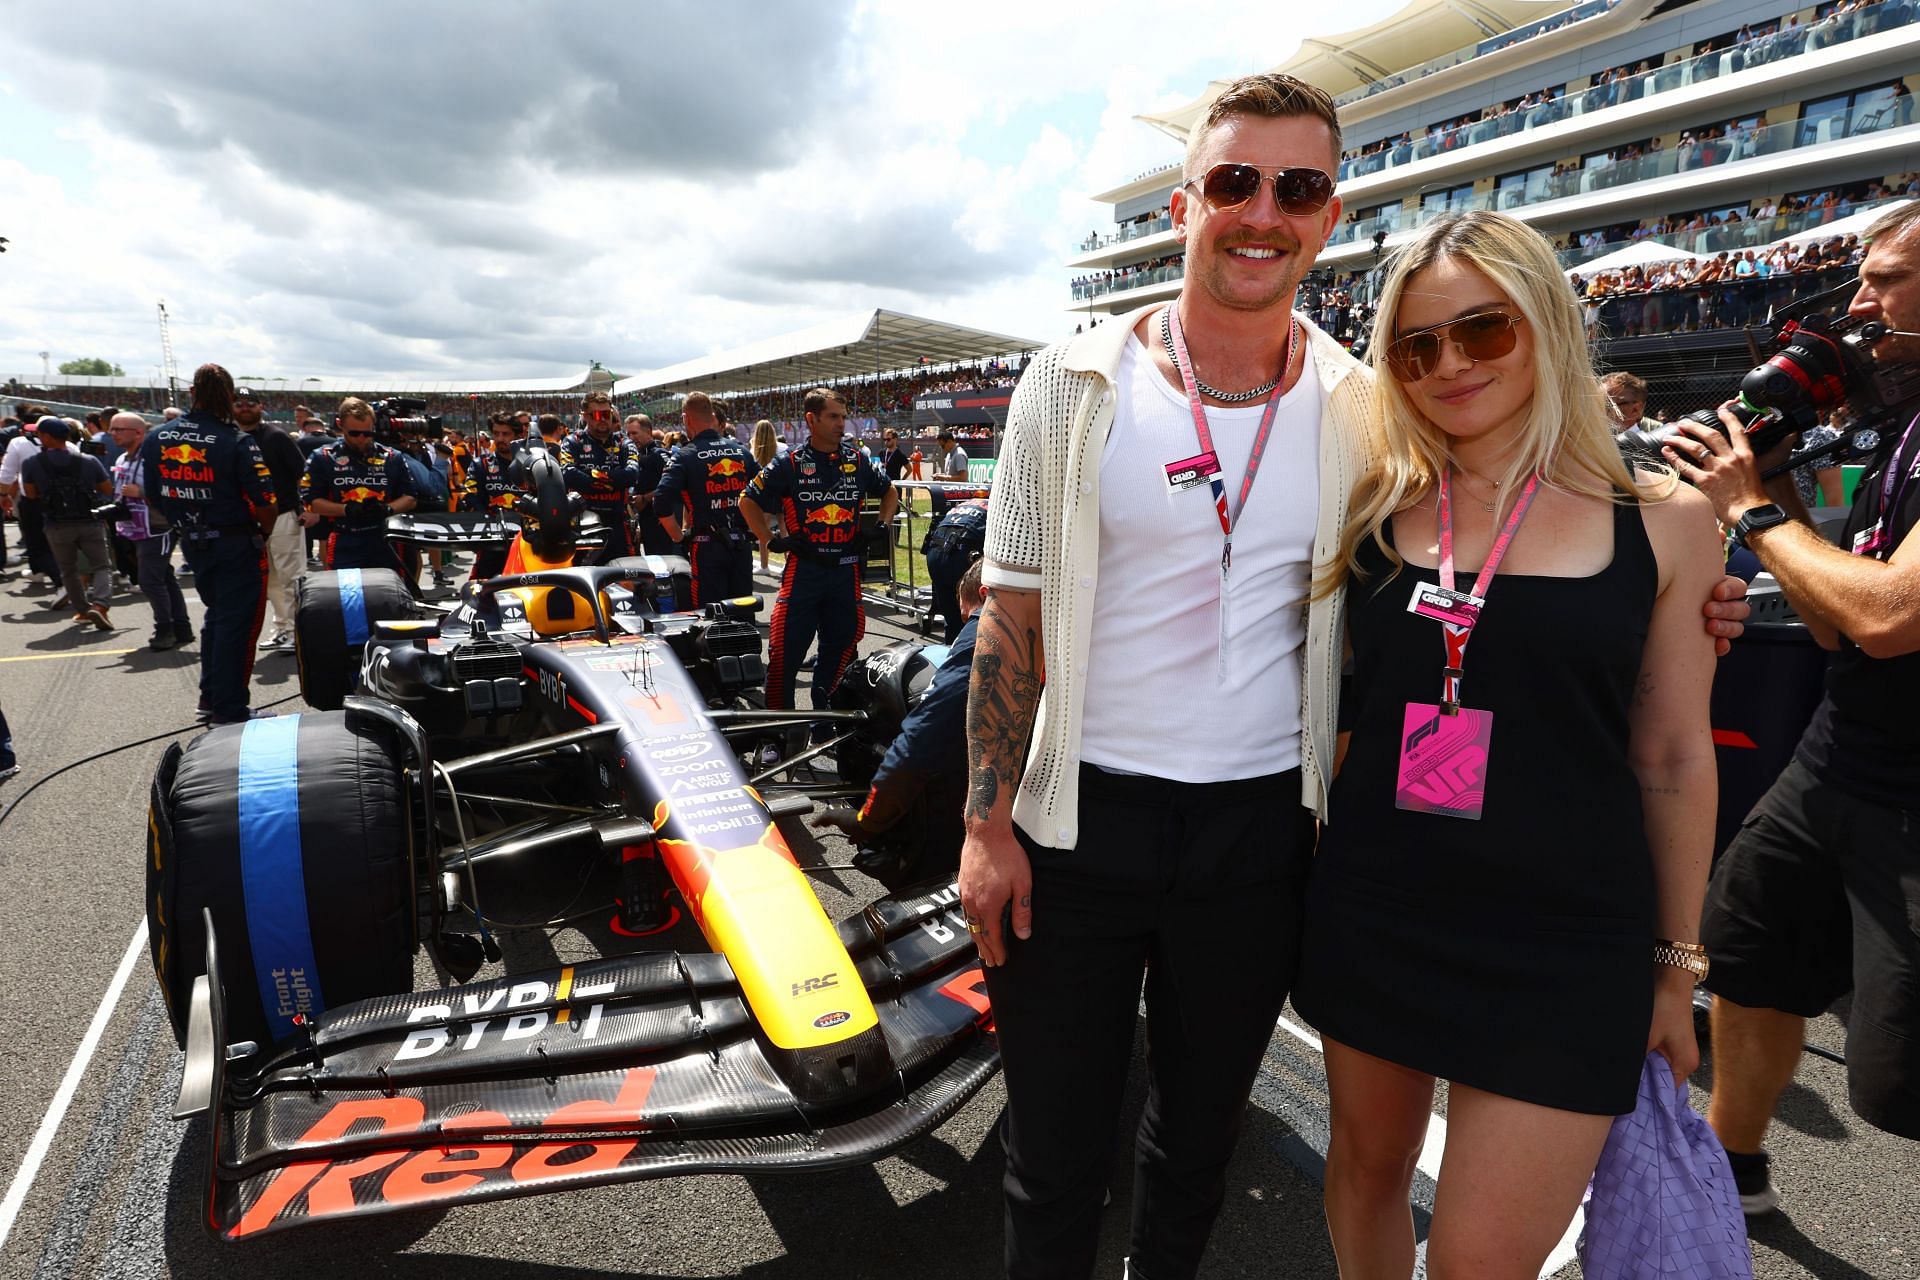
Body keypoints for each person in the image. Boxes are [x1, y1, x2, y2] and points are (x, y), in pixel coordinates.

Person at [958, 73, 1751, 1280]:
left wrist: (1686, 601)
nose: (1262, 209)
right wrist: (984, 820)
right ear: (1186, 205)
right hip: (1084, 823)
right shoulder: (1073, 385)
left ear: (1329, 216)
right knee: (1056, 1149)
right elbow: (1009, 619)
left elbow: (1599, 653)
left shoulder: (1360, 411)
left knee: (1198, 1144)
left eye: (1298, 186)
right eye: (1234, 182)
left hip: (1267, 835)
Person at [1290, 210, 1723, 1278]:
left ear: (1545, 323)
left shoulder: (1667, 521)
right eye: (1417, 345)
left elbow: (1672, 756)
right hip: (1379, 906)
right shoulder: (1369, 500)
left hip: (1568, 942)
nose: (1450, 365)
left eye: (1482, 331)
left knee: (1481, 1260)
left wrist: (1676, 964)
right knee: (1362, 1175)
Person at [1670, 200, 1920, 1213]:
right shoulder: (1903, 428)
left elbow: (1892, 616)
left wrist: (1750, 509)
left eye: (1887, 280)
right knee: (1746, 949)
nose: (1859, 303)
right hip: (1840, 751)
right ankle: (1732, 1165)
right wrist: (1774, 481)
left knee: (1897, 1082)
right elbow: (1831, 620)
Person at [815, 558, 985, 888]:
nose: (966, 626)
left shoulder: (991, 625)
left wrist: (868, 820)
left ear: (982, 593)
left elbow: (921, 739)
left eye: (968, 616)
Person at [738, 386, 897, 710]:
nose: (841, 424)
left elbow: (890, 491)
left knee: (840, 654)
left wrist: (881, 525)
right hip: (803, 574)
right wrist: (770, 540)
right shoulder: (789, 463)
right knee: (784, 655)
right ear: (811, 419)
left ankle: (826, 730)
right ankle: (778, 738)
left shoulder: (857, 459)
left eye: (843, 417)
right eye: (833, 417)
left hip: (845, 572)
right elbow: (747, 501)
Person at [141, 363, 277, 726]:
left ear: (192, 394)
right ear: (230, 398)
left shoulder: (158, 437)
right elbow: (266, 502)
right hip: (234, 542)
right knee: (238, 625)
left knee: (216, 620)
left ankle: (211, 699)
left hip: (193, 540)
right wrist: (262, 533)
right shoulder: (236, 440)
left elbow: (153, 495)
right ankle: (229, 710)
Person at [652, 392, 759, 605]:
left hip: (707, 546)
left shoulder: (684, 455)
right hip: (742, 547)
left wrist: (679, 539)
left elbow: (661, 500)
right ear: (712, 417)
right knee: (743, 611)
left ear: (686, 419)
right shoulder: (742, 452)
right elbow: (765, 492)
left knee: (710, 614)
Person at [300, 398, 416, 575]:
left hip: (385, 539)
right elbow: (312, 501)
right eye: (354, 433)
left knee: (389, 598)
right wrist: (346, 509)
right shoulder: (322, 457)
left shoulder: (392, 457)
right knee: (346, 598)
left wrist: (387, 509)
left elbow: (410, 497)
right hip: (344, 538)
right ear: (340, 425)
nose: (362, 438)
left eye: (368, 433)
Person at [19, 418, 116, 631]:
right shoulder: (89, 461)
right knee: (102, 565)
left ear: (46, 437)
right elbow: (108, 489)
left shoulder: (32, 463)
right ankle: (100, 605)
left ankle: (82, 610)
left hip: (56, 524)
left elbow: (31, 494)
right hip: (90, 521)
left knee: (68, 570)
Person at [108, 413, 192, 651]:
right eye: (112, 429)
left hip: (158, 527)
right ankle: (181, 628)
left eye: (119, 429)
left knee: (150, 580)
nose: (113, 433)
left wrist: (141, 493)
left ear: (138, 432)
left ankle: (165, 629)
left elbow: (173, 490)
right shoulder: (124, 458)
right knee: (163, 576)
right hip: (136, 527)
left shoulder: (155, 458)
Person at [234, 387, 307, 650]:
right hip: (249, 519)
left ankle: (299, 630)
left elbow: (302, 473)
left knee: (291, 576)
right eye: (239, 403)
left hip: (284, 514)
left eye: (250, 403)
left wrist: (305, 507)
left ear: (260, 406)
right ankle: (282, 628)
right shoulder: (233, 437)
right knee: (271, 580)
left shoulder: (276, 436)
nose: (244, 407)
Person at [558, 390, 640, 562]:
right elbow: (568, 474)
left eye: (606, 414)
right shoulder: (572, 441)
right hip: (583, 524)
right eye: (596, 414)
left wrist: (590, 476)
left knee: (627, 579)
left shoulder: (624, 442)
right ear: (585, 416)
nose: (602, 419)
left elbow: (632, 474)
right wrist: (612, 481)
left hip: (618, 523)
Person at [463, 411, 524, 581]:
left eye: (506, 434)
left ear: (518, 436)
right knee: (483, 592)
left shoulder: (530, 464)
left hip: (526, 539)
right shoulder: (480, 464)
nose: (500, 438)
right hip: (492, 540)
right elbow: (471, 498)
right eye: (496, 433)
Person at [920, 494, 988, 644]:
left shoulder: (967, 503)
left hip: (934, 553)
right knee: (974, 616)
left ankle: (950, 655)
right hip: (962, 553)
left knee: (951, 619)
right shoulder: (999, 508)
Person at [625, 413, 674, 556]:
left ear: (648, 432)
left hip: (661, 520)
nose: (631, 438)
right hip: (644, 519)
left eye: (635, 433)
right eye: (628, 434)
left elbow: (672, 484)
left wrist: (646, 498)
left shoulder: (659, 454)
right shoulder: (635, 456)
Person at [748, 419, 782, 573]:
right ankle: (789, 565)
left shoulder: (752, 450)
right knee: (785, 529)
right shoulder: (782, 447)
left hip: (764, 493)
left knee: (763, 529)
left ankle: (764, 566)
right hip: (783, 491)